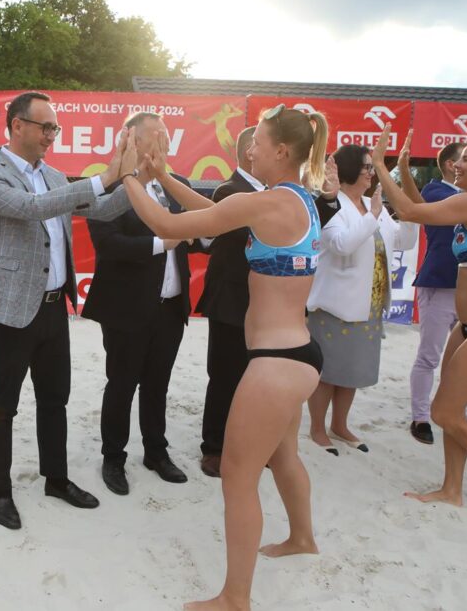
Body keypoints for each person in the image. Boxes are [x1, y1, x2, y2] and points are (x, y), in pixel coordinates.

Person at [117, 103, 329, 611]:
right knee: (284, 455)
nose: (249, 150)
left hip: (275, 363)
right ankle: (302, 537)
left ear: (282, 151)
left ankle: (236, 597)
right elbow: (213, 215)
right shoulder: (296, 198)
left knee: (237, 475)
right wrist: (161, 175)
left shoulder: (272, 202)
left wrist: (127, 175)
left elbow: (167, 222)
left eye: (258, 142)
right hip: (298, 354)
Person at [0, 91, 135, 530]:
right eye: (46, 127)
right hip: (9, 311)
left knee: (55, 399)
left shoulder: (55, 176)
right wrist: (107, 175)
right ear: (16, 125)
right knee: (2, 405)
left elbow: (102, 210)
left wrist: (136, 180)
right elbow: (32, 208)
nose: (51, 135)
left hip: (54, 306)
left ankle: (56, 480)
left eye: (55, 128)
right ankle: (0, 490)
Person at [370, 124, 467, 507]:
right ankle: (452, 488)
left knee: (443, 412)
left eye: (466, 159)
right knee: (453, 409)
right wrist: (402, 169)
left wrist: (379, 165)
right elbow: (422, 208)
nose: (457, 164)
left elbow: (409, 211)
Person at [196, 127, 342, 477]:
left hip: (272, 314)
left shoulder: (284, 196)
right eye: (256, 145)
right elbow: (228, 224)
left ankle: (251, 445)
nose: (256, 152)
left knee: (256, 384)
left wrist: (329, 199)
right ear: (250, 150)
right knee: (225, 376)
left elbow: (300, 229)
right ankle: (214, 447)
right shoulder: (232, 190)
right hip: (232, 300)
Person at [83, 112, 195, 495]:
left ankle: (156, 452)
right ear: (132, 139)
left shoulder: (177, 186)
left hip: (171, 306)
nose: (164, 142)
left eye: (167, 136)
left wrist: (196, 236)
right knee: (122, 383)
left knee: (157, 384)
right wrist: (163, 242)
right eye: (157, 135)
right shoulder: (110, 186)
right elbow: (108, 244)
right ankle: (113, 458)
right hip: (126, 307)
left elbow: (199, 232)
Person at [306, 142, 418, 454]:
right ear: (350, 170)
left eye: (372, 167)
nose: (371, 173)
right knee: (327, 371)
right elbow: (341, 244)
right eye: (367, 167)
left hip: (370, 304)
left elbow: (404, 241)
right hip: (335, 304)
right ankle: (317, 428)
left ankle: (340, 425)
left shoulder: (372, 203)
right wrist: (373, 217)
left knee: (353, 370)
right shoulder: (333, 206)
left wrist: (409, 213)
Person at [407, 143, 464, 445]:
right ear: (452, 165)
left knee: (462, 360)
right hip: (439, 285)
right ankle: (420, 417)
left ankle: (454, 414)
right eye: (464, 159)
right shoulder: (435, 192)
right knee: (429, 356)